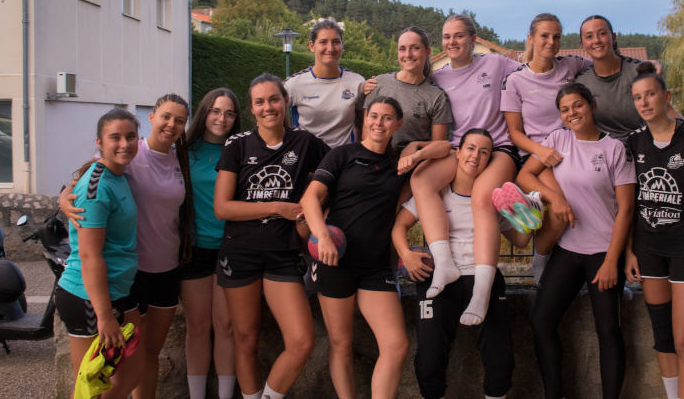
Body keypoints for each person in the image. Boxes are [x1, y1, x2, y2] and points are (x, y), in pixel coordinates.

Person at [574, 15, 684, 303]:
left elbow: (663, 105)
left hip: (648, 149)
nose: (596, 40)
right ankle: (618, 276)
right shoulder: (583, 80)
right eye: (589, 36)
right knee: (616, 211)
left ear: (613, 36)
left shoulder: (636, 71)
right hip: (609, 155)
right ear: (582, 44)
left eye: (602, 33)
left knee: (681, 200)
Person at [499, 83, 635, 399]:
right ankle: (555, 394)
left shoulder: (615, 149)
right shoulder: (558, 140)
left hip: (602, 252)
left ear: (592, 106)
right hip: (568, 249)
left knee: (609, 331)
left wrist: (613, 260)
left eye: (577, 105)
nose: (571, 113)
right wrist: (555, 200)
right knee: (541, 322)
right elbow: (524, 176)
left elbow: (627, 209)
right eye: (564, 109)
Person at [61, 94, 195, 399]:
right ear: (152, 117)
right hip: (115, 283)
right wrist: (63, 199)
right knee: (96, 379)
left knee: (138, 364)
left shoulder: (173, 159)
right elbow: (84, 190)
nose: (171, 124)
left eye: (179, 120)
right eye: (165, 116)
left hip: (152, 273)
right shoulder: (126, 160)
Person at [213, 74, 330, 399]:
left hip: (283, 254)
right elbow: (222, 208)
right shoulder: (237, 145)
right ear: (252, 109)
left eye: (274, 99)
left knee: (302, 341)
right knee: (246, 339)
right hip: (241, 253)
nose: (268, 107)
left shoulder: (305, 142)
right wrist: (278, 207)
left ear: (286, 102)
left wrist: (316, 202)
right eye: (260, 102)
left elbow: (339, 174)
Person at [393, 128, 531, 399]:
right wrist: (406, 254)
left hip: (482, 276)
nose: (475, 156)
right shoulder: (434, 191)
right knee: (429, 361)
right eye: (470, 148)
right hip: (440, 279)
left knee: (500, 359)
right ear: (458, 152)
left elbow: (520, 241)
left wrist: (527, 217)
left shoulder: (491, 200)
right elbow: (399, 226)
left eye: (484, 152)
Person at [410, 14, 522, 326]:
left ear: (473, 39)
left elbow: (534, 73)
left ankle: (482, 292)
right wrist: (373, 84)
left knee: (482, 198)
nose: (452, 42)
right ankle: (444, 263)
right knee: (422, 180)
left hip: (498, 147)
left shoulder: (496, 64)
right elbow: (409, 81)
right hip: (460, 149)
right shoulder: (438, 78)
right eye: (447, 37)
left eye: (459, 36)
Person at [301, 96, 410, 399]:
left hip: (376, 266)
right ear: (364, 120)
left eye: (387, 118)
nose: (379, 122)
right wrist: (322, 236)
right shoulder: (342, 155)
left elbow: (446, 152)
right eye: (373, 116)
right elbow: (310, 198)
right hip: (335, 260)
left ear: (397, 124)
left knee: (397, 345)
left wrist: (416, 149)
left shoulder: (399, 164)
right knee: (342, 344)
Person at [625, 62, 684, 399]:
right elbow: (628, 203)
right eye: (637, 97)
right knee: (663, 337)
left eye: (650, 94)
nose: (645, 102)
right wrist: (628, 251)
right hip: (649, 250)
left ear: (665, 97)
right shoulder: (633, 143)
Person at [54, 108, 145, 398]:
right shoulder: (98, 187)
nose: (124, 144)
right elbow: (89, 256)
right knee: (91, 389)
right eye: (115, 137)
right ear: (99, 142)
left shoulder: (117, 174)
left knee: (132, 373)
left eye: (130, 137)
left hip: (119, 290)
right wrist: (104, 316)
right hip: (88, 297)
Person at [500, 13, 591, 282]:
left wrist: (645, 70)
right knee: (564, 205)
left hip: (572, 153)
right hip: (536, 157)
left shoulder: (571, 66)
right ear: (531, 39)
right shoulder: (515, 80)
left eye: (556, 37)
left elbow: (605, 62)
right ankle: (540, 263)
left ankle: (534, 208)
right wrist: (540, 151)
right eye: (544, 36)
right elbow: (514, 132)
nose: (551, 42)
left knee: (594, 201)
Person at [179, 88, 241, 399]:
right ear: (205, 112)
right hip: (193, 249)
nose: (222, 118)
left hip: (230, 248)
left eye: (229, 113)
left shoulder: (241, 150)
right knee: (198, 328)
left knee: (226, 327)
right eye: (216, 111)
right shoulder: (182, 151)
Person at [363, 26, 452, 170]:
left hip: (412, 166)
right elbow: (365, 131)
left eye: (415, 48)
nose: (408, 54)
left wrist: (415, 146)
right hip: (375, 162)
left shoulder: (436, 96)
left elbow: (439, 145)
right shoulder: (378, 84)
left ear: (427, 52)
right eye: (402, 49)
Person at [284, 19, 365, 148]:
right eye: (323, 42)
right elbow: (273, 113)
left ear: (342, 46)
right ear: (312, 46)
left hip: (342, 161)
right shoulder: (293, 84)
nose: (331, 48)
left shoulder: (358, 83)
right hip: (307, 159)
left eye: (336, 42)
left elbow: (361, 124)